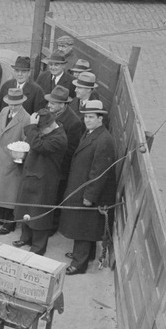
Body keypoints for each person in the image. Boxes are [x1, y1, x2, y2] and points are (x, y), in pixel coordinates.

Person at [58, 100, 117, 275]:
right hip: (82, 186)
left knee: (83, 226)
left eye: (91, 117)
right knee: (84, 226)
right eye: (85, 117)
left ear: (101, 119)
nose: (87, 120)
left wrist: (89, 196)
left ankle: (79, 263)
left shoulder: (103, 140)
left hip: (90, 192)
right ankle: (85, 255)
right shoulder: (91, 133)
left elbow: (99, 172)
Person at [12, 108, 68, 254]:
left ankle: (38, 247)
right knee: (26, 208)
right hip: (32, 175)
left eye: (40, 129)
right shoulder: (47, 132)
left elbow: (39, 145)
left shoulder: (59, 138)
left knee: (39, 215)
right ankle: (26, 237)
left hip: (45, 181)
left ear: (49, 126)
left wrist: (31, 127)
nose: (39, 132)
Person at [0, 87, 30, 234]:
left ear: (21, 102)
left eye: (16, 104)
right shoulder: (3, 112)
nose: (12, 106)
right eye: (10, 103)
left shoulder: (25, 118)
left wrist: (19, 156)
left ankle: (9, 223)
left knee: (9, 192)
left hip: (11, 160)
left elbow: (26, 141)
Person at [43, 84, 84, 232]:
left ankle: (52, 226)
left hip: (59, 168)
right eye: (49, 102)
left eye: (53, 103)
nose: (49, 105)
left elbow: (70, 150)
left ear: (63, 104)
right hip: (46, 163)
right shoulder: (49, 113)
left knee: (55, 196)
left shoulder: (74, 122)